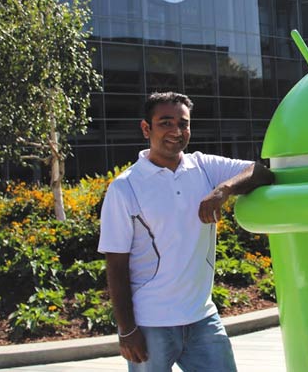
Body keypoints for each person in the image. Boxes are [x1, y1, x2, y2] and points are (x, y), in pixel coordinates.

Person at [98, 92, 274, 372]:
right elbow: (116, 264)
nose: (176, 131)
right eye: (165, 123)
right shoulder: (125, 187)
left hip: (202, 318)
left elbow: (262, 172)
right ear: (146, 128)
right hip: (150, 324)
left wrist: (222, 190)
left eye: (183, 123)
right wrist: (127, 330)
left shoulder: (203, 166)